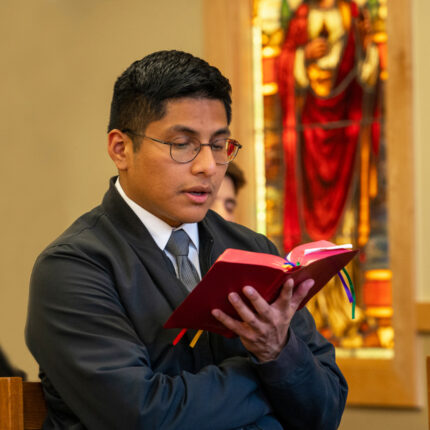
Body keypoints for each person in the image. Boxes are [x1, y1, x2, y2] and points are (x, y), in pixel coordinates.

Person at [26, 50, 347, 429]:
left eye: (218, 145)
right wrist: (271, 375)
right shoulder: (74, 268)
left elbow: (324, 411)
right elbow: (145, 417)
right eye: (183, 144)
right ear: (121, 149)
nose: (208, 167)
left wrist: (276, 350)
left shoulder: (253, 250)